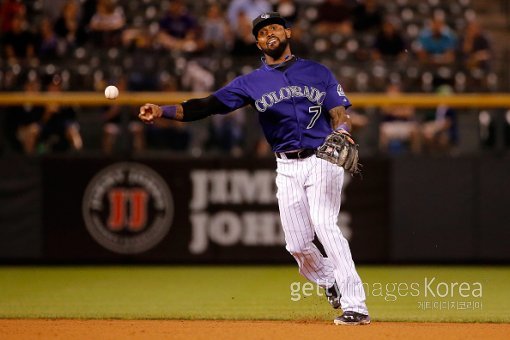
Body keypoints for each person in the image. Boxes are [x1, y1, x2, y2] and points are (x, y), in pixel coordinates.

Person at [138, 12, 370, 325]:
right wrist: (162, 110)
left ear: (287, 33)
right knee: (297, 244)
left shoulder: (317, 71)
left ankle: (356, 304)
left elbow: (338, 111)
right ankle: (330, 280)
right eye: (261, 32)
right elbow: (206, 106)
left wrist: (342, 131)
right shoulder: (250, 83)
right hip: (286, 166)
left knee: (325, 223)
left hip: (322, 157)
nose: (269, 33)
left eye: (274, 27)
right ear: (257, 42)